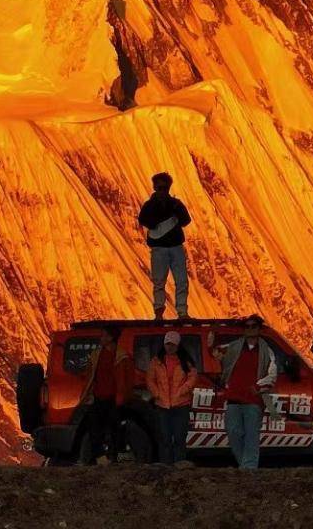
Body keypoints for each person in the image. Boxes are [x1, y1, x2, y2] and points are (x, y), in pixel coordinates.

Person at [212, 325, 276, 470]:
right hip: (233, 397)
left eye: (254, 326)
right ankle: (246, 467)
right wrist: (212, 344)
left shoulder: (267, 351)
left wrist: (258, 388)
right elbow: (217, 352)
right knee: (233, 432)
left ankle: (249, 468)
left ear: (259, 330)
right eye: (248, 326)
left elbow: (272, 374)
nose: (251, 329)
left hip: (253, 400)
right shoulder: (235, 347)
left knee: (251, 435)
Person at [137, 173, 192, 319]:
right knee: (159, 281)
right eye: (160, 187)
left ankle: (181, 312)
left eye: (164, 188)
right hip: (162, 248)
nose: (162, 190)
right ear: (155, 187)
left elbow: (186, 220)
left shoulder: (174, 204)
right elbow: (143, 219)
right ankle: (160, 312)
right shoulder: (151, 206)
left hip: (173, 247)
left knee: (181, 281)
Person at [144, 331, 198, 465]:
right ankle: (166, 466)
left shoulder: (185, 362)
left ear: (178, 345)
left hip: (181, 405)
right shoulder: (156, 361)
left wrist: (182, 391)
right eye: (168, 344)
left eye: (173, 344)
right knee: (164, 439)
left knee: (180, 438)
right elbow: (150, 379)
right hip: (162, 405)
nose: (170, 347)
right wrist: (156, 393)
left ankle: (179, 465)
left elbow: (192, 378)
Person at [76, 333, 126, 463]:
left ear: (110, 338)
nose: (101, 338)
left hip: (113, 398)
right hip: (98, 397)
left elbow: (124, 378)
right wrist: (87, 394)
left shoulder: (120, 356)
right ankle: (100, 457)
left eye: (104, 336)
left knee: (114, 428)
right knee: (95, 429)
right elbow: (89, 376)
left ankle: (113, 456)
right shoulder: (96, 355)